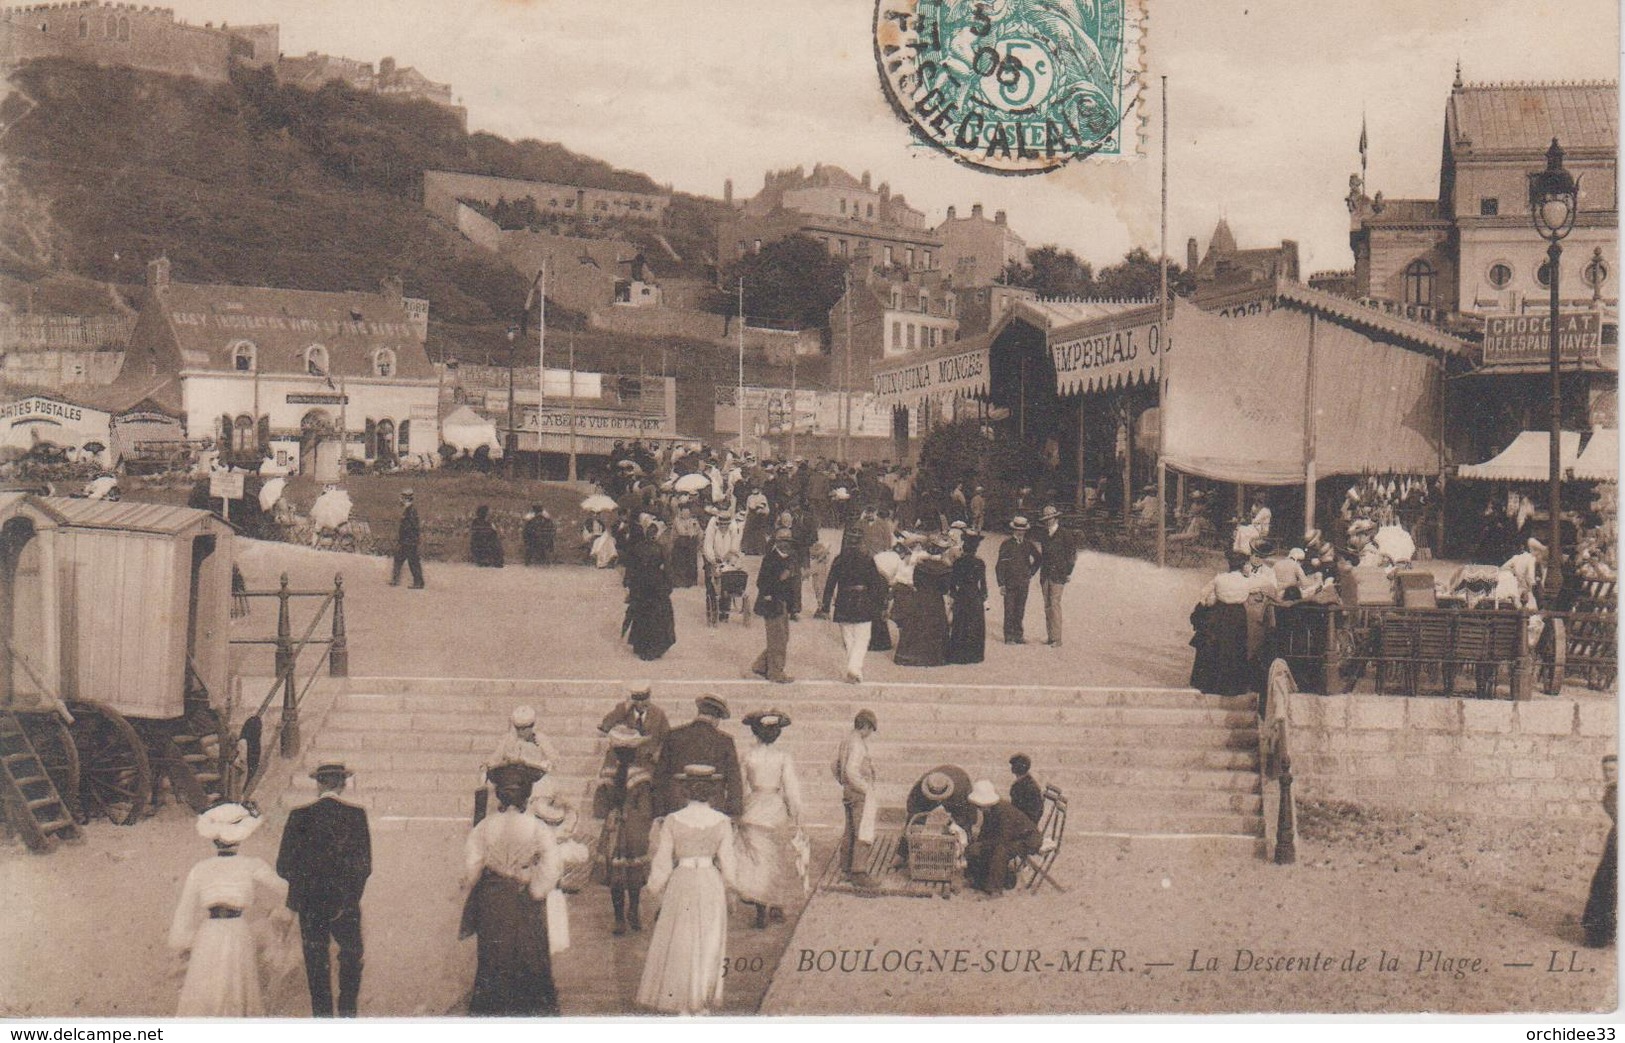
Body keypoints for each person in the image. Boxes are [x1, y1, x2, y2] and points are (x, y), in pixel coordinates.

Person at [636, 765, 739, 1015]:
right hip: (710, 883)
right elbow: (728, 862)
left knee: (681, 940)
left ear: (685, 790)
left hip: (681, 882)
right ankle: (700, 1000)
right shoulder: (722, 822)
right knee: (708, 940)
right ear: (713, 791)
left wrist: (654, 888)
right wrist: (731, 889)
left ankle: (685, 1002)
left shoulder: (673, 820)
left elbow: (662, 861)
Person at [169, 802, 289, 1016]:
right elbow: (286, 889)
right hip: (236, 931)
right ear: (241, 838)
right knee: (231, 986)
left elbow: (185, 909)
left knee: (211, 988)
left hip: (211, 933)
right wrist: (278, 912)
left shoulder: (201, 868)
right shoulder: (252, 864)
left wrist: (183, 939)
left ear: (214, 840)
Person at [460, 764, 561, 1016]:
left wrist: (470, 883)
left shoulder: (484, 827)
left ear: (499, 796)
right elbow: (552, 865)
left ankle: (492, 1006)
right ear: (527, 797)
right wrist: (537, 888)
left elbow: (472, 863)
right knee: (528, 949)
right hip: (523, 893)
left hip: (493, 895)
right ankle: (529, 1007)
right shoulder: (538, 828)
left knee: (494, 949)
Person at [277, 762, 372, 1017]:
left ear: (318, 784)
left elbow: (283, 866)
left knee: (316, 961)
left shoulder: (299, 815)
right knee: (351, 956)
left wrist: (305, 888)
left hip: (310, 902)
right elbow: (364, 867)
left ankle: (323, 1019)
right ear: (343, 784)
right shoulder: (357, 815)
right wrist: (349, 897)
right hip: (346, 901)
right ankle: (347, 1015)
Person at [734, 710, 807, 929]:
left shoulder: (747, 756)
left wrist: (739, 809)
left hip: (753, 807)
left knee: (757, 860)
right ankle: (773, 904)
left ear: (755, 732)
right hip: (774, 809)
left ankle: (760, 906)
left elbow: (740, 786)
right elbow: (792, 789)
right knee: (775, 860)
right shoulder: (783, 757)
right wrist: (796, 813)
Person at [593, 725, 657, 936]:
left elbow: (600, 806)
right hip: (634, 829)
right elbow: (646, 808)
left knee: (616, 875)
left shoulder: (607, 773)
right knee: (635, 872)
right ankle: (633, 912)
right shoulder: (641, 776)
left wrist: (612, 812)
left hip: (613, 829)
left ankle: (619, 917)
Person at [657, 694, 744, 818]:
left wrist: (659, 812)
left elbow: (660, 776)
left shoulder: (674, 735)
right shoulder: (725, 741)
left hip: (677, 806)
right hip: (714, 807)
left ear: (699, 711)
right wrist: (734, 813)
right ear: (716, 718)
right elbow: (734, 781)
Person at [819, 526, 884, 684]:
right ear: (861, 542)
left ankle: (853, 669)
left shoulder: (839, 559)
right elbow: (876, 584)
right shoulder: (868, 559)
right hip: (863, 601)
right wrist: (878, 604)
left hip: (844, 602)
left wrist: (826, 606)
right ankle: (854, 669)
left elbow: (830, 583)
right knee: (863, 638)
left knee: (849, 638)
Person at [963, 779, 1045, 897]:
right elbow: (986, 831)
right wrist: (978, 843)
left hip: (1028, 840)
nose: (979, 809)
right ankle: (979, 880)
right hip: (1013, 837)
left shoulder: (1004, 812)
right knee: (979, 845)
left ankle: (995, 889)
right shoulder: (990, 810)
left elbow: (1003, 839)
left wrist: (982, 845)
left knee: (1001, 851)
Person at [476, 705, 559, 821]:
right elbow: (495, 757)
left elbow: (553, 759)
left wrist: (541, 763)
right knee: (486, 785)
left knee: (542, 795)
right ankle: (480, 823)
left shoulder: (540, 739)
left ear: (532, 726)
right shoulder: (507, 739)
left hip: (533, 777)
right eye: (518, 728)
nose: (521, 731)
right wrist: (488, 764)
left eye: (525, 728)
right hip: (510, 777)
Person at [1189, 566, 1253, 696]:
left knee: (1216, 649)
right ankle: (1232, 686)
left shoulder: (1220, 579)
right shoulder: (1245, 581)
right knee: (1234, 649)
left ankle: (1209, 683)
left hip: (1219, 616)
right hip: (1235, 616)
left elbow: (1204, 594)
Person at [833, 710, 879, 887]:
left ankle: (845, 868)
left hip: (848, 791)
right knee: (862, 831)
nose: (870, 734)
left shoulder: (846, 740)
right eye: (870, 729)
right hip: (859, 793)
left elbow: (834, 764)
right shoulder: (858, 744)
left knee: (850, 831)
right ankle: (859, 872)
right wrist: (866, 788)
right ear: (865, 726)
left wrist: (843, 783)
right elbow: (851, 770)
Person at [749, 526, 801, 683]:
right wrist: (781, 578)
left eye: (788, 541)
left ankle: (761, 665)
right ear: (776, 542)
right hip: (772, 604)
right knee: (777, 640)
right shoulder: (770, 559)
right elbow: (761, 583)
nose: (785, 544)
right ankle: (775, 673)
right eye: (782, 541)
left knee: (783, 638)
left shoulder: (791, 558)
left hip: (784, 603)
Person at [623, 514, 677, 661]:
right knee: (658, 616)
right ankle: (654, 648)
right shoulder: (660, 549)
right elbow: (667, 569)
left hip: (640, 584)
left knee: (641, 614)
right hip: (656, 585)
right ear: (656, 535)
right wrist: (669, 585)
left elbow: (630, 568)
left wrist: (629, 585)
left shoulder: (637, 547)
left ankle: (640, 646)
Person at [895, 538, 953, 667]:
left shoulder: (920, 565)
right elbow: (944, 589)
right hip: (935, 601)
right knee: (935, 626)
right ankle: (932, 657)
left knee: (915, 625)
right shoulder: (945, 568)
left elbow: (915, 582)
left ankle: (912, 655)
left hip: (920, 599)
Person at [1583, 755, 1617, 949]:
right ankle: (1602, 932)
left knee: (1607, 883)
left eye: (1612, 770)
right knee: (1605, 883)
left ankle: (1600, 934)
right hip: (1616, 840)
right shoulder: (1612, 790)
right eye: (1605, 770)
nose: (1607, 774)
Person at [596, 681, 670, 768]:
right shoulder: (622, 710)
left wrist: (658, 752)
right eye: (637, 699)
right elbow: (605, 726)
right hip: (622, 758)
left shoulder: (658, 713)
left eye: (644, 699)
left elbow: (667, 737)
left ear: (649, 697)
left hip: (647, 761)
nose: (640, 703)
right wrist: (625, 708)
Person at [996, 517, 1041, 644]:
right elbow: (1000, 565)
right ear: (1013, 530)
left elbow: (1038, 559)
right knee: (1009, 610)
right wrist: (1001, 583)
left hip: (1023, 582)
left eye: (1023, 530)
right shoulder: (1006, 544)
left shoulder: (1028, 544)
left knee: (1020, 609)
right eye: (1018, 530)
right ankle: (1009, 637)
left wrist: (1031, 572)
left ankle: (1018, 635)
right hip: (1009, 582)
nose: (1020, 532)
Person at [1036, 505, 1076, 647]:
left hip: (1058, 575)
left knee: (1055, 604)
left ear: (1055, 518)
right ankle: (1051, 636)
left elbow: (1071, 556)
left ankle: (1057, 638)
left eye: (1050, 518)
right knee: (1047, 605)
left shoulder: (1065, 534)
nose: (1048, 521)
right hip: (1045, 574)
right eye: (1046, 519)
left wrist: (1067, 572)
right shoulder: (1044, 535)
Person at [947, 529, 988, 664]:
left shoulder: (958, 562)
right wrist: (983, 597)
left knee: (961, 623)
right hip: (974, 595)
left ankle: (959, 654)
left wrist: (953, 595)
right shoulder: (980, 563)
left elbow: (952, 583)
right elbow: (983, 584)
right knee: (974, 624)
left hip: (962, 595)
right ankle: (974, 654)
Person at [389, 489, 424, 588]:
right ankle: (397, 580)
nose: (400, 500)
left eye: (402, 498)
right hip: (408, 541)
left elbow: (411, 527)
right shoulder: (409, 510)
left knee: (412, 561)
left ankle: (418, 583)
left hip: (409, 541)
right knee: (402, 559)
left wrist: (406, 539)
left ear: (406, 499)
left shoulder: (411, 511)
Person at [669, 504, 703, 588]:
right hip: (680, 544)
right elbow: (681, 532)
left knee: (691, 562)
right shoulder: (677, 520)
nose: (686, 514)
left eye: (688, 512)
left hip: (690, 544)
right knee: (680, 563)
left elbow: (699, 531)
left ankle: (692, 581)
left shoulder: (693, 520)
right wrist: (691, 531)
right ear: (681, 512)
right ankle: (680, 582)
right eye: (684, 512)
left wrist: (699, 542)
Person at [1009, 754, 1044, 825]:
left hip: (1025, 825)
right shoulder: (1027, 782)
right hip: (1028, 821)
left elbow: (1016, 809)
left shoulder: (1020, 787)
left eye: (1013, 766)